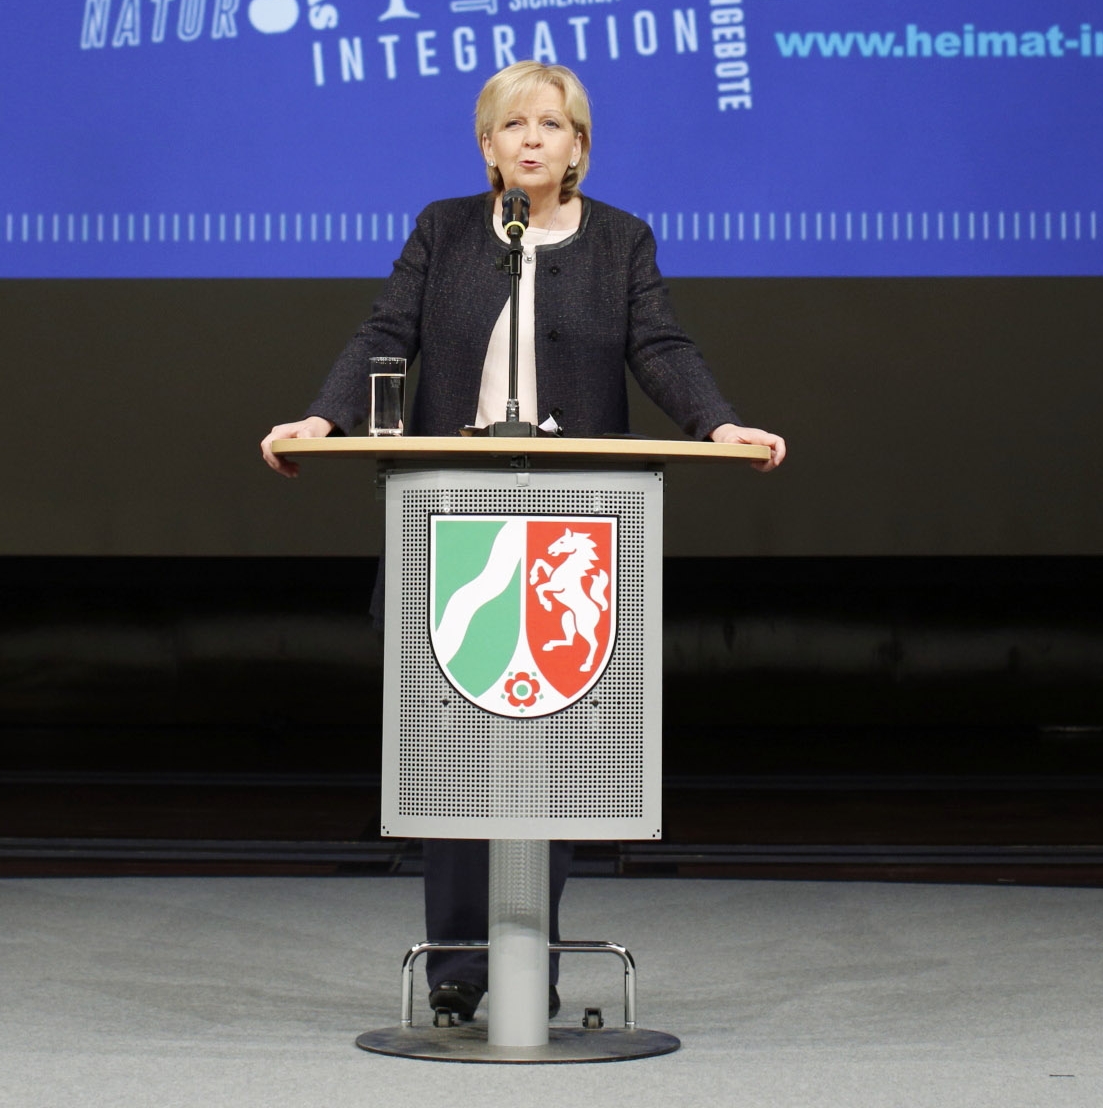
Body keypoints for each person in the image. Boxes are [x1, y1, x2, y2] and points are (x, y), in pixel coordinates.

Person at [260, 61, 785, 1026]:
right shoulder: (446, 229)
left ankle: (527, 956)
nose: (532, 139)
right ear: (487, 145)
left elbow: (660, 347)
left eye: (552, 124)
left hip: (571, 525)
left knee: (549, 744)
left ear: (579, 145)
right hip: (454, 516)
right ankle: (463, 966)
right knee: (455, 743)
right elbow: (387, 334)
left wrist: (717, 423)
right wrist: (322, 419)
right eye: (513, 125)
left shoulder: (620, 239)